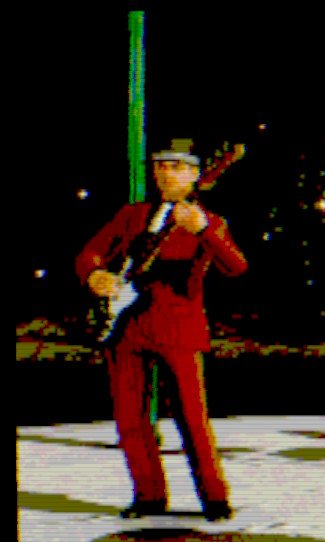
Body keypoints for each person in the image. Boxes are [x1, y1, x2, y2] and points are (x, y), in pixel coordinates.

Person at [76, 138, 248, 521]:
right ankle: (148, 495)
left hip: (178, 332)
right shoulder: (132, 215)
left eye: (176, 167)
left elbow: (236, 266)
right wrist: (96, 275)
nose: (166, 174)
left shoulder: (208, 221)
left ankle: (214, 498)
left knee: (192, 419)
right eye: (161, 166)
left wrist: (204, 231)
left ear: (195, 175)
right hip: (127, 329)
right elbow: (89, 253)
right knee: (130, 421)